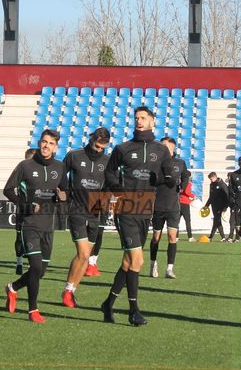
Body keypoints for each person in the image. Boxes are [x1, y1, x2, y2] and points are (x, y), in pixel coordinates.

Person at [100, 106, 172, 327]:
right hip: (126, 208)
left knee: (127, 262)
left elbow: (166, 177)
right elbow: (109, 172)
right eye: (136, 118)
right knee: (138, 261)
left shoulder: (162, 150)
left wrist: (167, 179)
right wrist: (116, 187)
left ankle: (108, 303)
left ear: (152, 121)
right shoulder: (123, 148)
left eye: (143, 118)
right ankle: (134, 312)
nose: (139, 121)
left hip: (146, 209)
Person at [3, 130, 67, 323]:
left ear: (56, 147)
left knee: (40, 272)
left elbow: (64, 192)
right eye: (44, 142)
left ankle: (12, 288)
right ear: (39, 143)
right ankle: (33, 310)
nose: (46, 146)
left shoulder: (60, 167)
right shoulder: (25, 165)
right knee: (35, 266)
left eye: (50, 143)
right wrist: (25, 205)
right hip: (29, 224)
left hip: (48, 226)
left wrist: (63, 197)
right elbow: (8, 190)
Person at [61, 127, 111, 308]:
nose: (99, 150)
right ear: (91, 140)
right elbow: (59, 175)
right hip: (77, 210)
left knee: (87, 255)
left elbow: (109, 186)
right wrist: (65, 194)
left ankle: (71, 290)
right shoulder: (74, 155)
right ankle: (67, 290)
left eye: (102, 147)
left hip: (95, 212)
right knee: (82, 254)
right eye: (97, 146)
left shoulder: (108, 161)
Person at [149, 137, 189, 279]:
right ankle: (153, 263)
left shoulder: (180, 163)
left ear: (172, 147)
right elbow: (151, 180)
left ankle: (169, 269)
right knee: (156, 238)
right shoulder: (155, 163)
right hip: (158, 205)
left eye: (165, 146)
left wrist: (181, 186)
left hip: (173, 207)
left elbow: (186, 176)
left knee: (172, 237)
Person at [13, 147, 36, 276]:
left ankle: (24, 263)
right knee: (20, 237)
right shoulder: (21, 171)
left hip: (34, 210)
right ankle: (19, 263)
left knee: (32, 237)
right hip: (23, 210)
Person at [203, 172, 230, 241]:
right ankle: (211, 237)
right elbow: (211, 196)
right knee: (216, 220)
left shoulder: (222, 184)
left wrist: (225, 206)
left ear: (215, 177)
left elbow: (227, 196)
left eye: (211, 179)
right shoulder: (212, 184)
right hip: (214, 206)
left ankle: (222, 237)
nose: (210, 180)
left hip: (220, 205)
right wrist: (207, 205)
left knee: (217, 220)